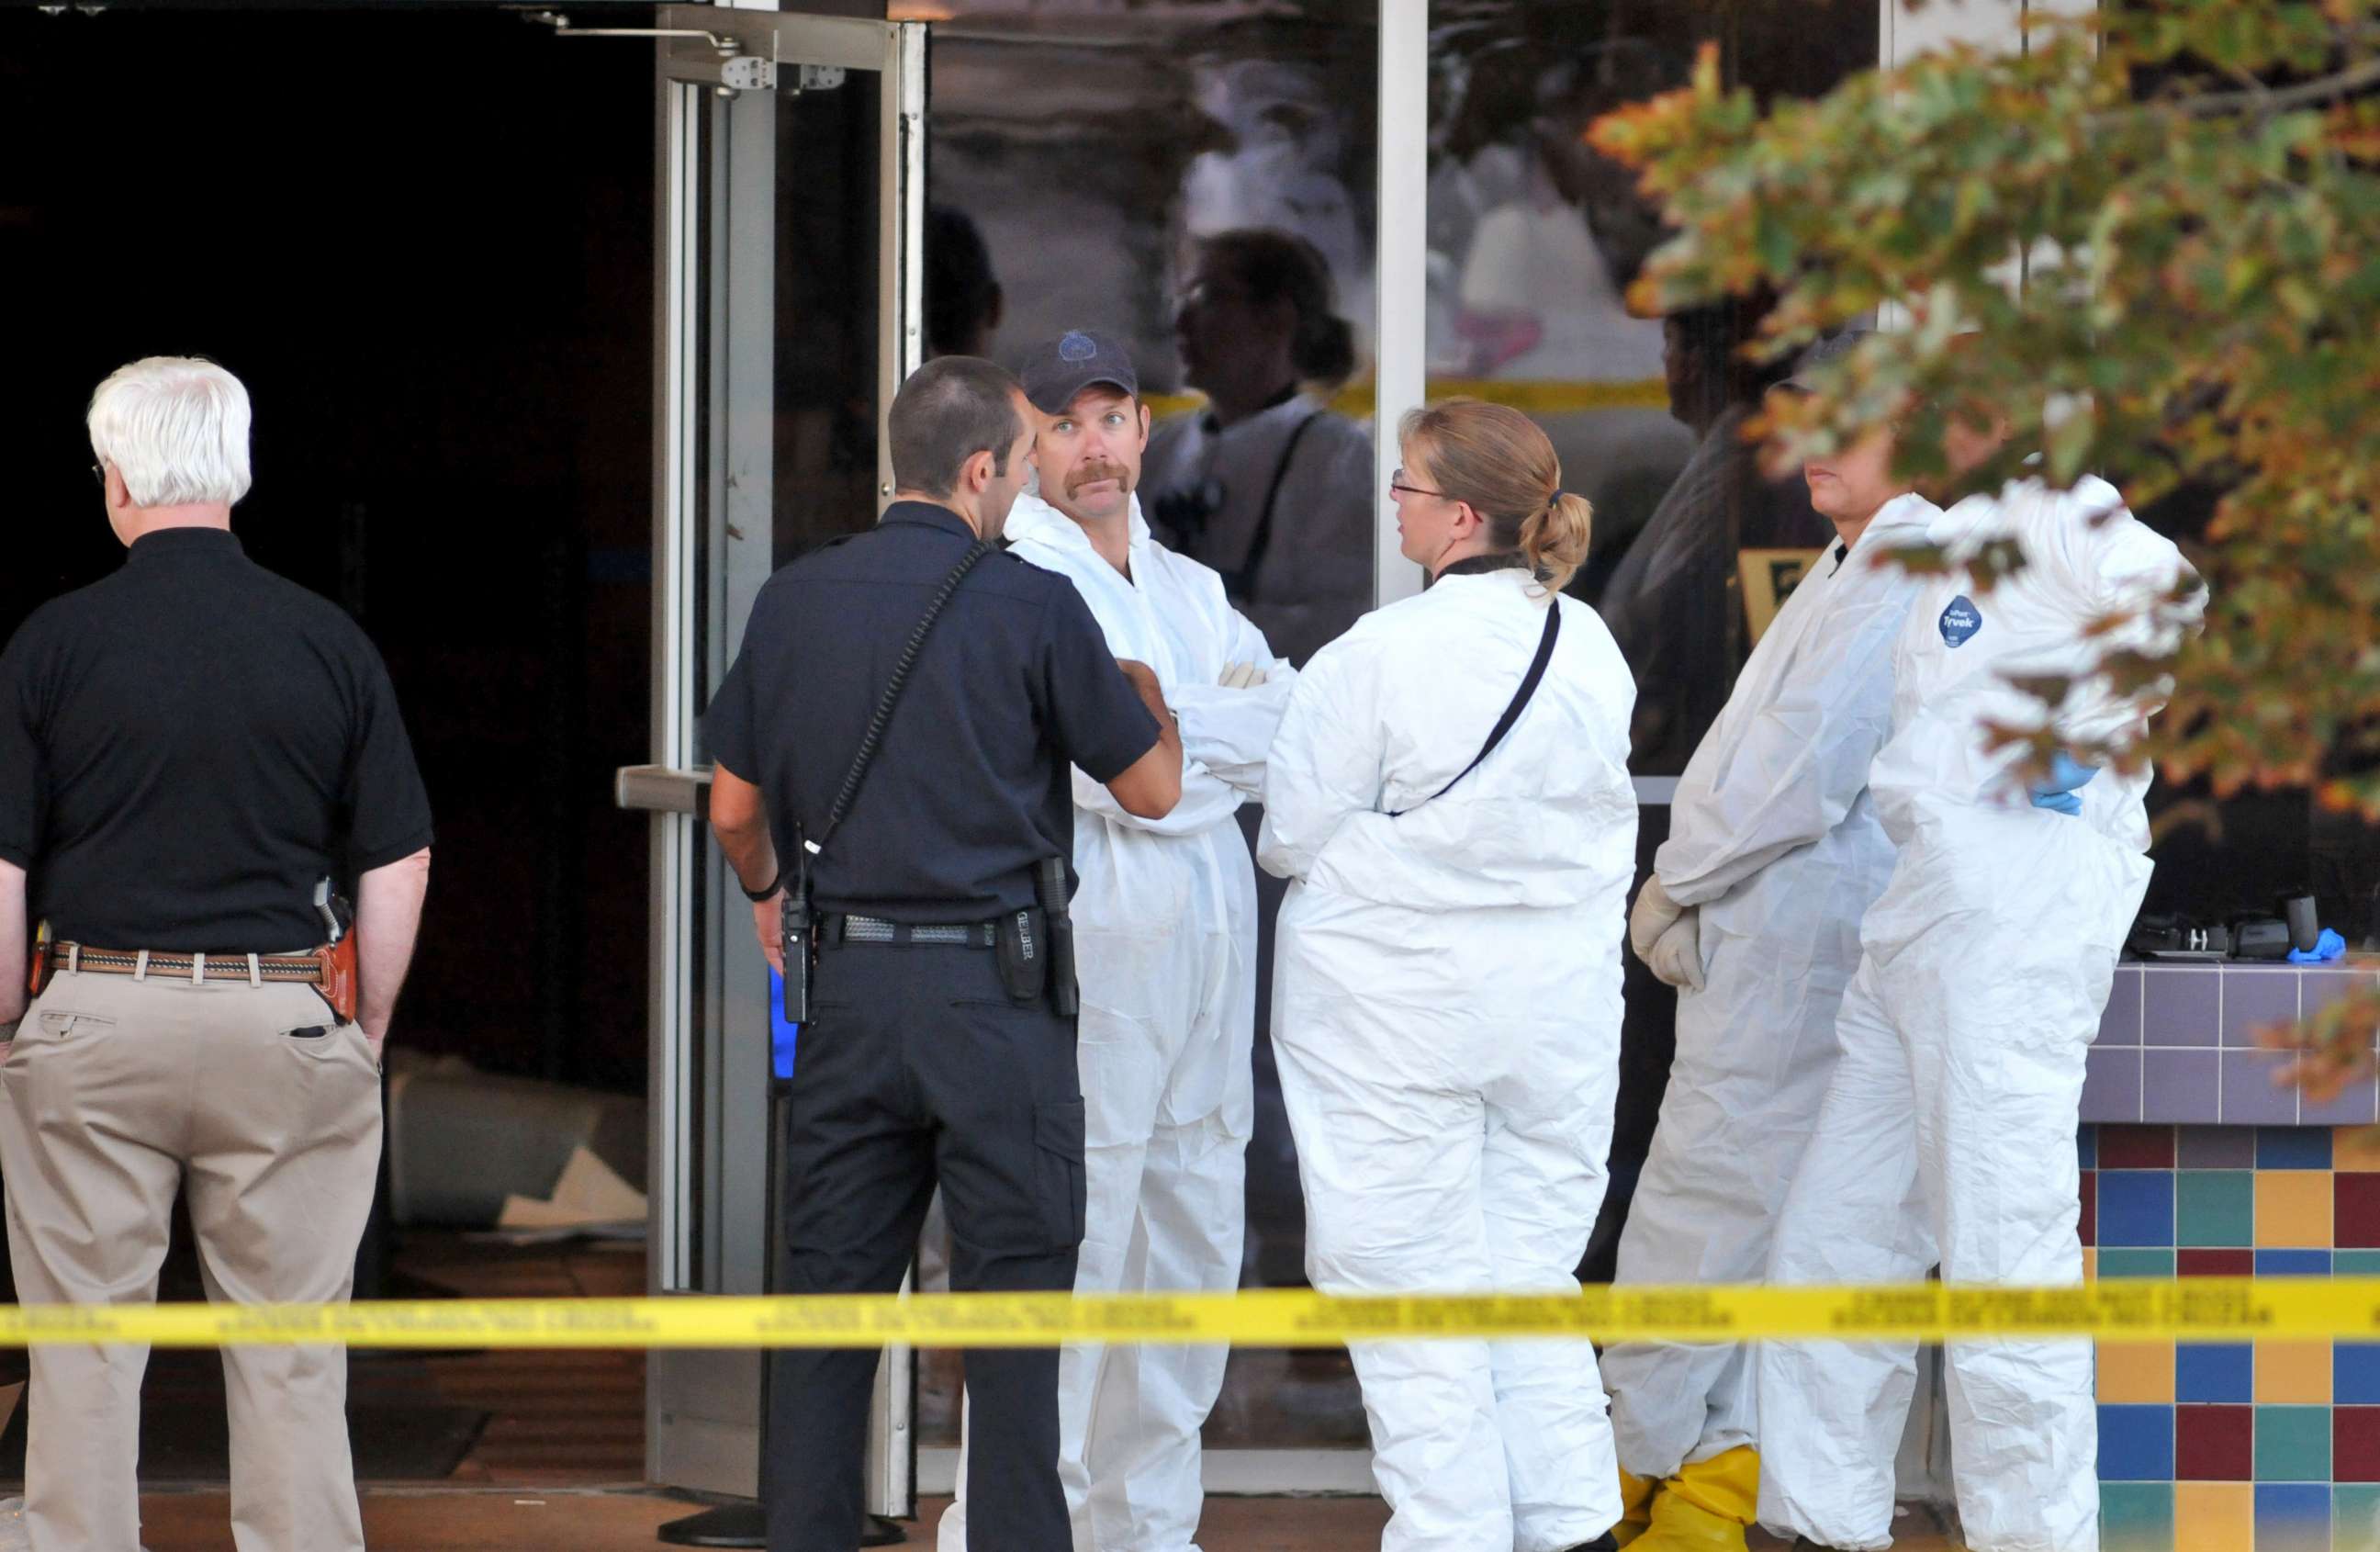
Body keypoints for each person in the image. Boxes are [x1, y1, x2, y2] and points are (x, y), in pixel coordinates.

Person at [702, 354, 1184, 1552]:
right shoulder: (1030, 603)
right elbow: (1155, 785)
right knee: (1015, 1342)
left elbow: (729, 807)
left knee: (826, 1325)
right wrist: (1146, 687)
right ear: (980, 469)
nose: (1026, 488)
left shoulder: (793, 600)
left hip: (847, 993)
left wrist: (770, 896)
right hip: (998, 1000)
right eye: (1023, 465)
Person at [0, 356, 434, 1552]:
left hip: (92, 1011)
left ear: (120, 477)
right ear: (236, 473)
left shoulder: (52, 644)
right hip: (284, 1016)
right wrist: (367, 1025)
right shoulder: (327, 641)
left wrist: (10, 1027)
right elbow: (398, 860)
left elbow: (2, 869)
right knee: (291, 1349)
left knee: (83, 1345)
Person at [1755, 402, 2205, 1552]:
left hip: (2016, 895)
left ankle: (2036, 1538)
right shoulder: (1955, 539)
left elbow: (2169, 592)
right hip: (1927, 901)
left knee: (2003, 1249)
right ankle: (1815, 1523)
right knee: (1832, 1240)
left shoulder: (2056, 510)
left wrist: (2072, 736)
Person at [937, 331, 1296, 1552]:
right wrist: (1188, 740)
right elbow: (1097, 770)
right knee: (1070, 1262)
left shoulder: (1191, 590)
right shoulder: (1010, 583)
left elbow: (1276, 732)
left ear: (1146, 429)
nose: (1095, 446)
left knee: (1188, 1261)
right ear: (1019, 445)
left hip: (1203, 968)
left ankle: (1148, 1534)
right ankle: (1019, 1533)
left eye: (1113, 418)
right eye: (1065, 423)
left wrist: (1161, 725)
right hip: (1087, 970)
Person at [1259, 399, 1636, 1552]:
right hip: (1558, 1023)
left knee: (1410, 1297)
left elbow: (1289, 832)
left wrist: (1386, 851)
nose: (1394, 505)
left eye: (1408, 487)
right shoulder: (1591, 645)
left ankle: (1452, 1535)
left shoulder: (1379, 654)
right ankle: (1573, 1528)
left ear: (1462, 516)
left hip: (1397, 1026)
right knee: (1531, 1285)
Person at [1600, 332, 1940, 1552]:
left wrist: (1677, 879)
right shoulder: (1858, 563)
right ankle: (1683, 1478)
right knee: (1732, 1219)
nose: (1804, 447)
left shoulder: (1905, 574)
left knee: (1711, 1218)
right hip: (1766, 932)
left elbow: (1798, 773)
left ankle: (1686, 1489)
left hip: (1791, 947)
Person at [1143, 228, 1375, 669]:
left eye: (1207, 298)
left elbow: (1342, 621)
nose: (1182, 323)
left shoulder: (1338, 457)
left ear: (1277, 319)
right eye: (1182, 301)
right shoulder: (1157, 449)